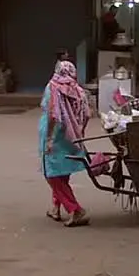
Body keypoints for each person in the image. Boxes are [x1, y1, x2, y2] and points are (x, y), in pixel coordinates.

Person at [39, 60, 92, 226]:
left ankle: (75, 210)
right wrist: (78, 131)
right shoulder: (78, 90)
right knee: (61, 173)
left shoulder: (53, 87)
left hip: (54, 135)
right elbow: (87, 114)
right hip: (71, 137)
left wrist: (48, 139)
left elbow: (53, 115)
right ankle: (56, 207)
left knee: (52, 175)